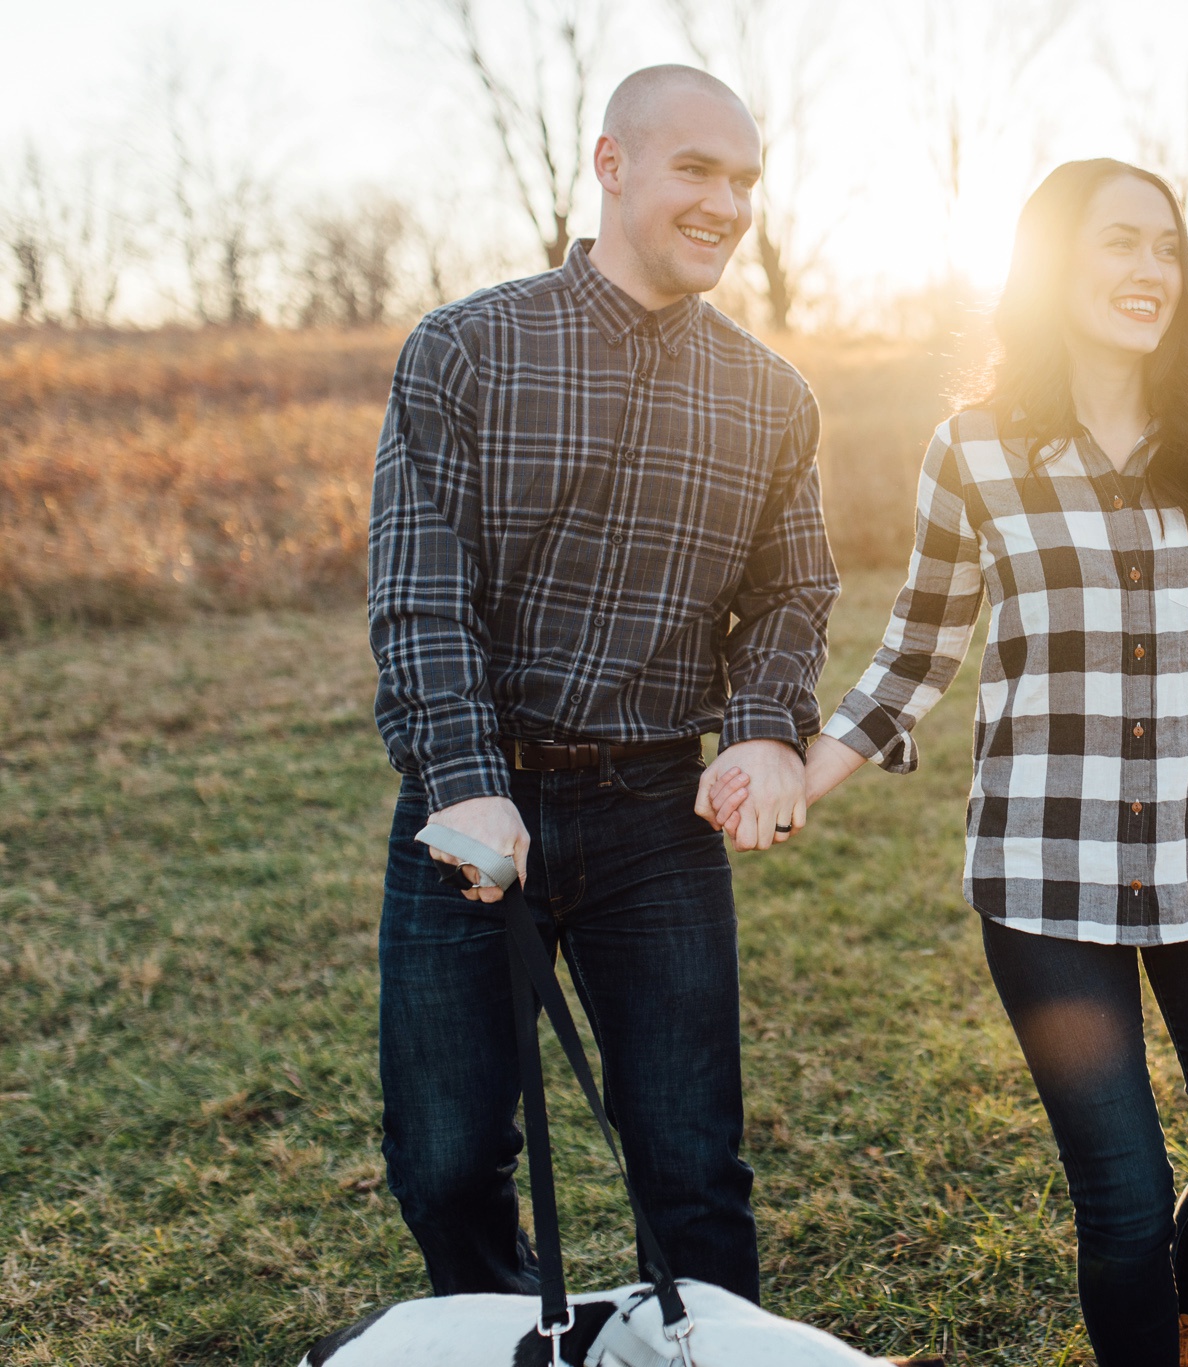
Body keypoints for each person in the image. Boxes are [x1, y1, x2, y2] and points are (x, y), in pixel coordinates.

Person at [708, 159, 1188, 1367]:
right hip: (1044, 876)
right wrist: (793, 769)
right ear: (1048, 263)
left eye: (1165, 248)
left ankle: (1182, 1308)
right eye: (1116, 245)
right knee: (1123, 1202)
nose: (1148, 271)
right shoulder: (973, 452)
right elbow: (913, 652)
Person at [367, 64, 837, 1303]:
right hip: (475, 808)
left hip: (653, 817)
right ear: (612, 164)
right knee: (446, 1158)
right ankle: (514, 1326)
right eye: (698, 169)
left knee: (692, 1170)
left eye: (745, 181)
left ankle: (700, 1346)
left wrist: (762, 732)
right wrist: (465, 785)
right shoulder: (466, 348)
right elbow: (420, 592)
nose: (728, 204)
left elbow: (791, 594)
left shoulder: (773, 396)